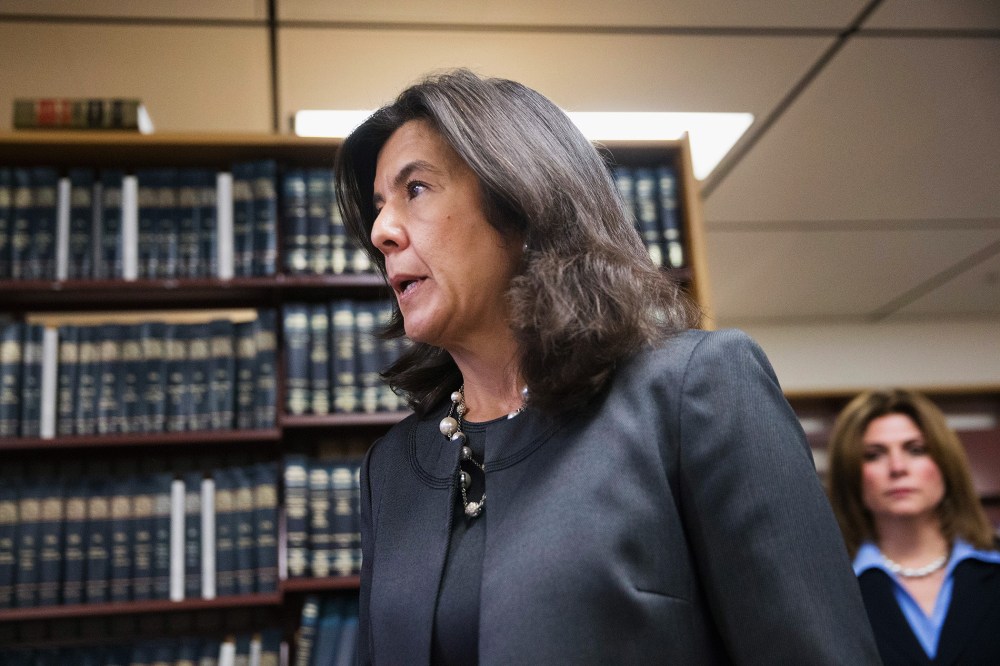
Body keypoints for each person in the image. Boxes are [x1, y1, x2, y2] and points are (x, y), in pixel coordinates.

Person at [334, 68, 880, 664]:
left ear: (521, 201)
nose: (381, 231)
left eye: (414, 190)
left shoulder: (695, 391)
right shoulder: (392, 469)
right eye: (379, 206)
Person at [827, 388, 1000, 665]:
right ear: (852, 475)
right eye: (874, 454)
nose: (897, 467)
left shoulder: (994, 564)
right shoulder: (830, 589)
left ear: (945, 464)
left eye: (916, 450)